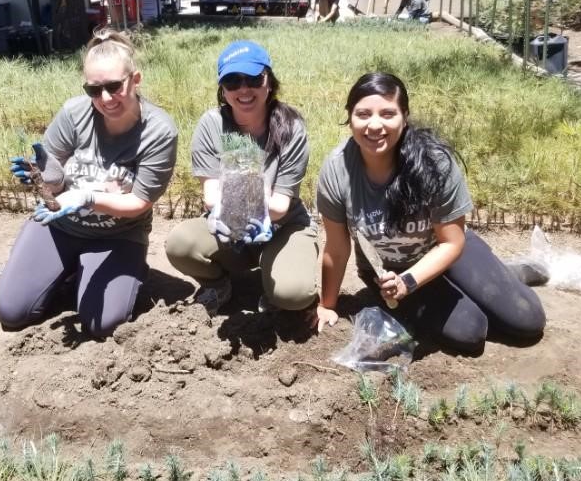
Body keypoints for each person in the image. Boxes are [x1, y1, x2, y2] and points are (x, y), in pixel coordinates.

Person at [315, 72, 545, 353]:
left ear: (405, 116)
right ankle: (487, 285)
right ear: (350, 117)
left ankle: (506, 275)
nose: (375, 125)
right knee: (471, 333)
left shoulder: (435, 163)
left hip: (449, 251)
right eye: (363, 114)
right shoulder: (337, 170)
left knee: (526, 322)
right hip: (390, 274)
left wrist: (410, 283)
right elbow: (337, 248)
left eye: (387, 114)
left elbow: (452, 242)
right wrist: (327, 305)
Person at [0, 30, 178, 337]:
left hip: (118, 235)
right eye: (94, 89)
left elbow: (138, 204)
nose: (105, 98)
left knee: (101, 325)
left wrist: (87, 198)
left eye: (114, 86)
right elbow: (53, 180)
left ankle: (125, 270)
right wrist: (44, 178)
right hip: (61, 226)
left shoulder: (158, 131)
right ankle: (67, 272)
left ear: (135, 79)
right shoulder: (74, 113)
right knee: (12, 312)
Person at [165, 40, 318, 315]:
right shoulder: (212, 124)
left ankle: (276, 286)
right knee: (180, 244)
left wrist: (237, 200)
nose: (244, 89)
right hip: (231, 223)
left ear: (269, 81)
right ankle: (219, 284)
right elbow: (212, 196)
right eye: (233, 82)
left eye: (253, 79)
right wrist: (224, 211)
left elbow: (280, 205)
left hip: (282, 226)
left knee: (293, 294)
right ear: (223, 90)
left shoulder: (292, 128)